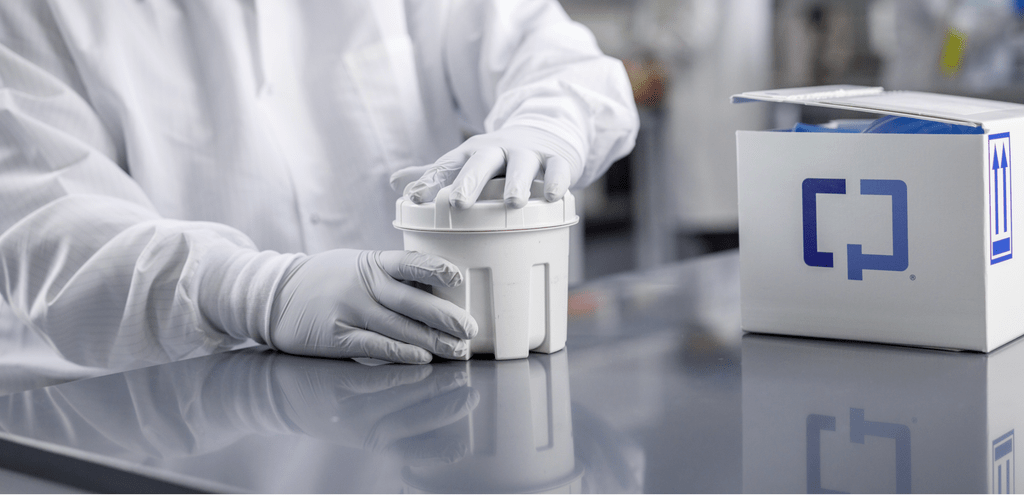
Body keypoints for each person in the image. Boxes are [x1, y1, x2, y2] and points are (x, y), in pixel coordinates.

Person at [0, 1, 638, 378]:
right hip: (151, 411)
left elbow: (557, 58)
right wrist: (253, 293)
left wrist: (544, 123)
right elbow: (48, 224)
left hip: (414, 394)